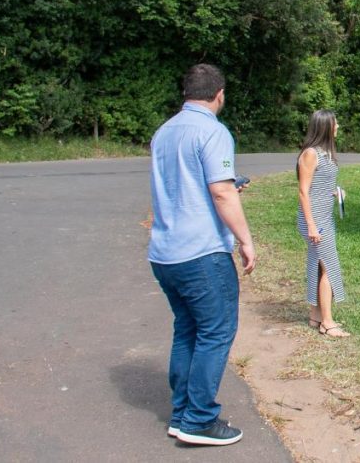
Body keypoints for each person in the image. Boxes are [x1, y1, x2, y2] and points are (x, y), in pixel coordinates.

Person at [148, 64, 257, 446]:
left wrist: (228, 186)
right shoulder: (212, 131)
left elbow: (192, 184)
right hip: (202, 253)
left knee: (188, 330)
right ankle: (198, 419)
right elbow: (221, 192)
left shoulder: (164, 132)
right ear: (219, 94)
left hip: (165, 253)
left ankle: (181, 414)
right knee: (216, 331)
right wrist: (245, 239)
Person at [296, 110, 350, 338]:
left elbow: (320, 184)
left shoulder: (326, 153)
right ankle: (327, 322)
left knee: (318, 265)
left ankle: (315, 315)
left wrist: (335, 192)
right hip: (315, 219)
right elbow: (303, 191)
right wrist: (310, 225)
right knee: (329, 266)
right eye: (335, 124)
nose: (338, 126)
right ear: (325, 126)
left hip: (324, 215)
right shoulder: (310, 154)